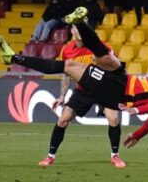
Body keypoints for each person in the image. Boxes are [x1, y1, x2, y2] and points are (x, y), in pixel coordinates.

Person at [0, 6, 148, 148]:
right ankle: (13, 57)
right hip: (119, 82)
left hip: (120, 90)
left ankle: (81, 24)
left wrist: (136, 110)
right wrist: (138, 135)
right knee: (70, 65)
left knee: (109, 59)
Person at [36, 24, 124, 168]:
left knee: (113, 118)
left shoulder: (100, 46)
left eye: (83, 27)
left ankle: (115, 156)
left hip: (103, 89)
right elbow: (66, 74)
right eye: (77, 28)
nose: (80, 31)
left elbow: (115, 69)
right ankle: (50, 157)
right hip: (83, 90)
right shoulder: (67, 50)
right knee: (63, 120)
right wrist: (62, 96)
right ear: (72, 31)